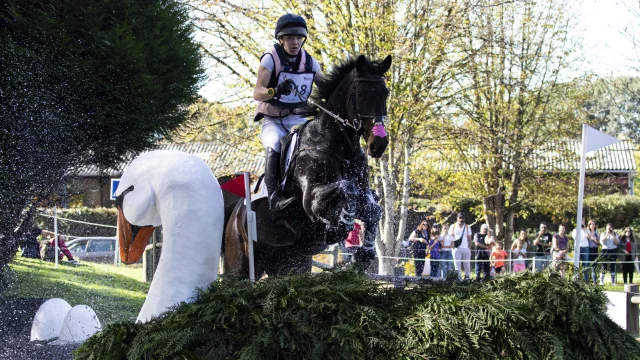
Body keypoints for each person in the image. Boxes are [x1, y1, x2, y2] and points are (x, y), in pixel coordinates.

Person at [253, 13, 324, 218]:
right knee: (274, 143)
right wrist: (274, 91)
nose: (295, 43)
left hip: (300, 119)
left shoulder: (310, 62)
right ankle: (274, 197)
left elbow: (326, 87)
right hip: (273, 120)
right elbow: (257, 92)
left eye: (299, 38)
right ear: (281, 39)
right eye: (290, 38)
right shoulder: (270, 59)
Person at [449, 213, 472, 280]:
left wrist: (469, 248)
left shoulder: (467, 227)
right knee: (457, 265)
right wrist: (452, 248)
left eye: (462, 218)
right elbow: (451, 237)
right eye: (460, 218)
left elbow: (469, 238)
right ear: (457, 218)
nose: (461, 219)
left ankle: (467, 278)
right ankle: (458, 278)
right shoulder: (453, 226)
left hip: (466, 248)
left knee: (467, 265)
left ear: (464, 219)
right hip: (456, 248)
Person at [586, 219, 600, 283]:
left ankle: (594, 281)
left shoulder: (596, 232)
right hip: (589, 249)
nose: (592, 225)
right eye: (591, 224)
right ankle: (587, 281)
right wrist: (590, 237)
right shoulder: (587, 232)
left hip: (595, 249)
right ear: (589, 225)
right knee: (588, 265)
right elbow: (587, 238)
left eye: (593, 224)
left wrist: (594, 240)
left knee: (594, 266)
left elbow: (598, 243)